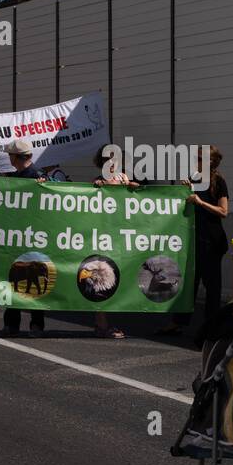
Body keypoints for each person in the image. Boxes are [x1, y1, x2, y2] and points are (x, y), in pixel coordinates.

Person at [158, 146, 229, 336]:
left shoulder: (218, 182)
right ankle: (178, 322)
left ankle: (211, 328)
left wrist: (201, 202)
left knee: (212, 287)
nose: (194, 161)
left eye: (198, 158)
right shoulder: (195, 179)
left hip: (212, 241)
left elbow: (223, 212)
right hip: (195, 239)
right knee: (189, 283)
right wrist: (185, 190)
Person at [91, 145, 139, 339]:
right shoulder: (98, 181)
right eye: (109, 160)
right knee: (102, 277)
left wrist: (133, 187)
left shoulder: (123, 178)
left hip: (120, 233)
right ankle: (101, 323)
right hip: (103, 233)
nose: (113, 164)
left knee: (117, 276)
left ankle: (104, 322)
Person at [1, 138, 47, 338]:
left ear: (15, 157)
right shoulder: (22, 176)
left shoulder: (35, 178)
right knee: (20, 280)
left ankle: (29, 324)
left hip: (30, 236)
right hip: (24, 235)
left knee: (25, 280)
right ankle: (18, 323)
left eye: (10, 155)